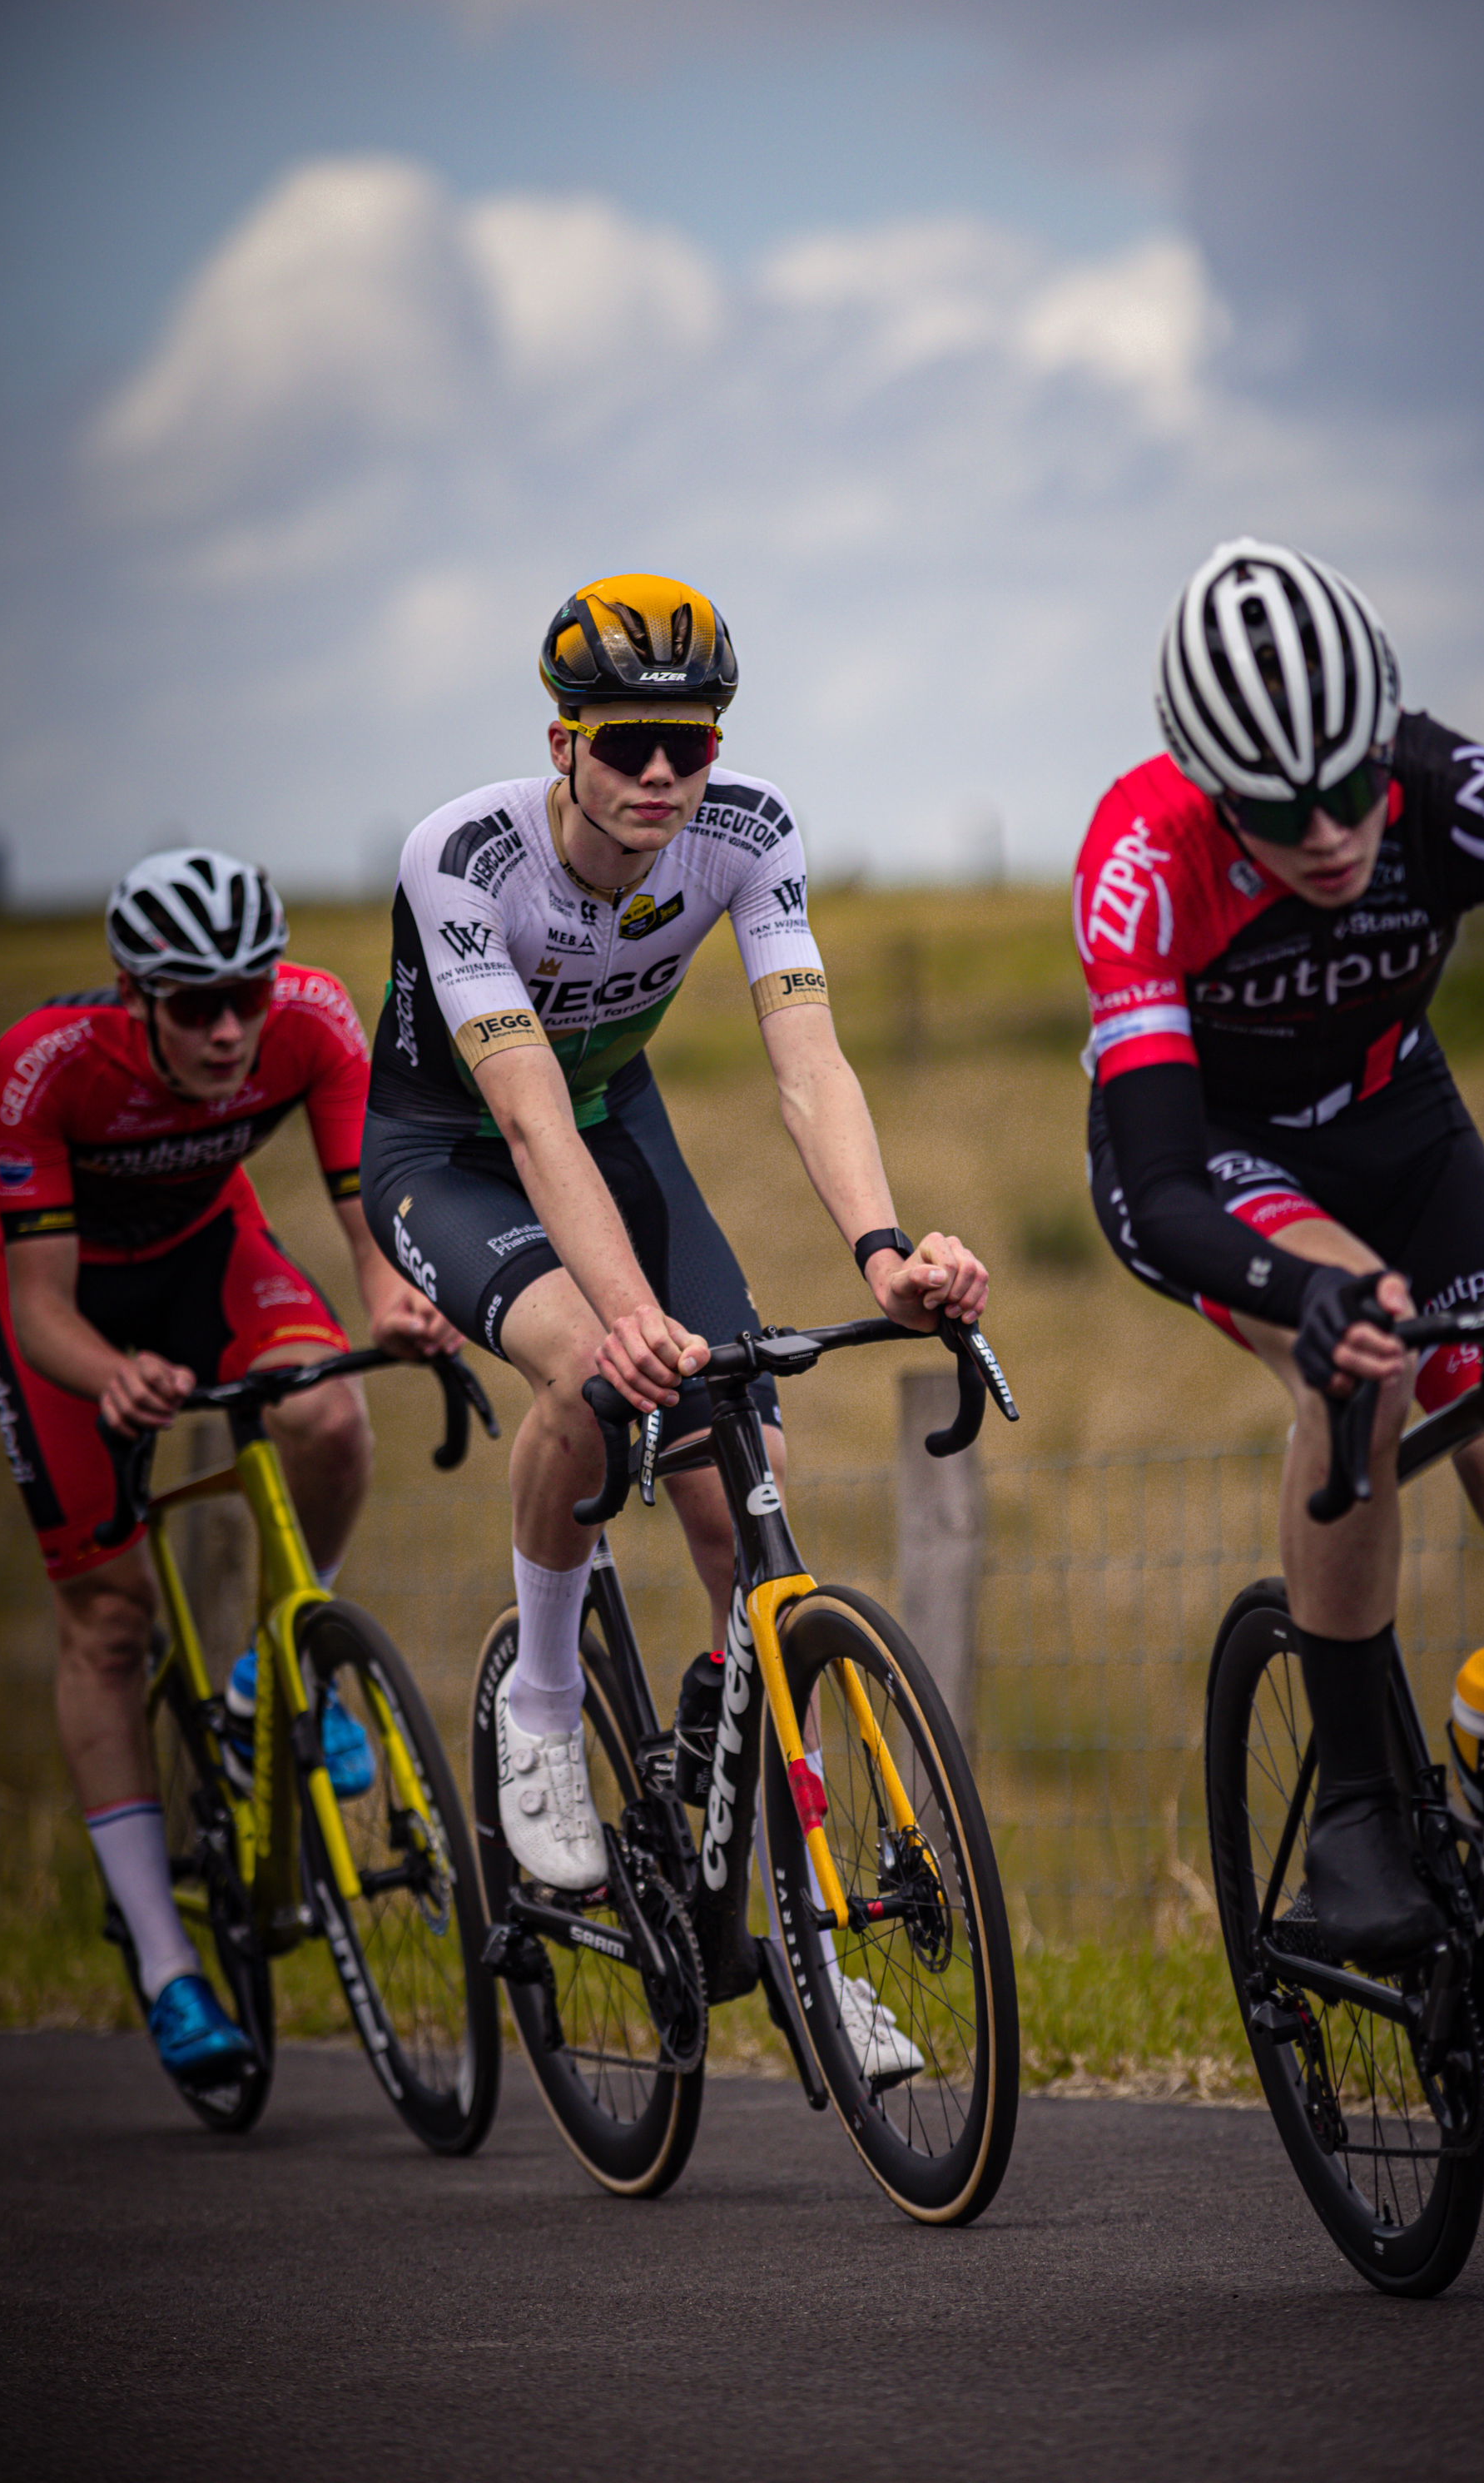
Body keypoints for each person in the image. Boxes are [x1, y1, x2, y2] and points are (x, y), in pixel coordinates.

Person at [360, 572, 985, 2066]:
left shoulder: (750, 830)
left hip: (617, 1122)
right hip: (451, 1150)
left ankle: (801, 1929)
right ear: (563, 739)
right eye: (628, 742)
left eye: (688, 745)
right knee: (591, 1371)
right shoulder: (466, 855)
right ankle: (548, 1706)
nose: (659, 775)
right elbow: (521, 1117)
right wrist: (630, 1319)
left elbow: (809, 1065)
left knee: (745, 1504)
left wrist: (883, 1254)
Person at [1073, 538, 1484, 1967]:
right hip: (1219, 1160)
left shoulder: (1465, 797)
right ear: (1215, 791)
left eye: (1352, 790)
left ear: (1388, 741)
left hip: (1407, 1125)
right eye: (1283, 811)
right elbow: (1155, 1185)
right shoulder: (1142, 858)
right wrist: (1309, 1296)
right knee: (1371, 1365)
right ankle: (1353, 1805)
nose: (1331, 833)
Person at [0, 849, 457, 2087]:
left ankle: (277, 1662)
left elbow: (369, 1211)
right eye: (193, 1004)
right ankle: (166, 1965)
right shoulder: (45, 1066)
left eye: (244, 995)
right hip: (67, 1313)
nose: (226, 1028)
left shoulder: (308, 1019)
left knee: (331, 1418)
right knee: (108, 1620)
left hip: (212, 1257)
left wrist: (396, 1303)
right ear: (132, 993)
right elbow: (33, 1301)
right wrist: (109, 1378)